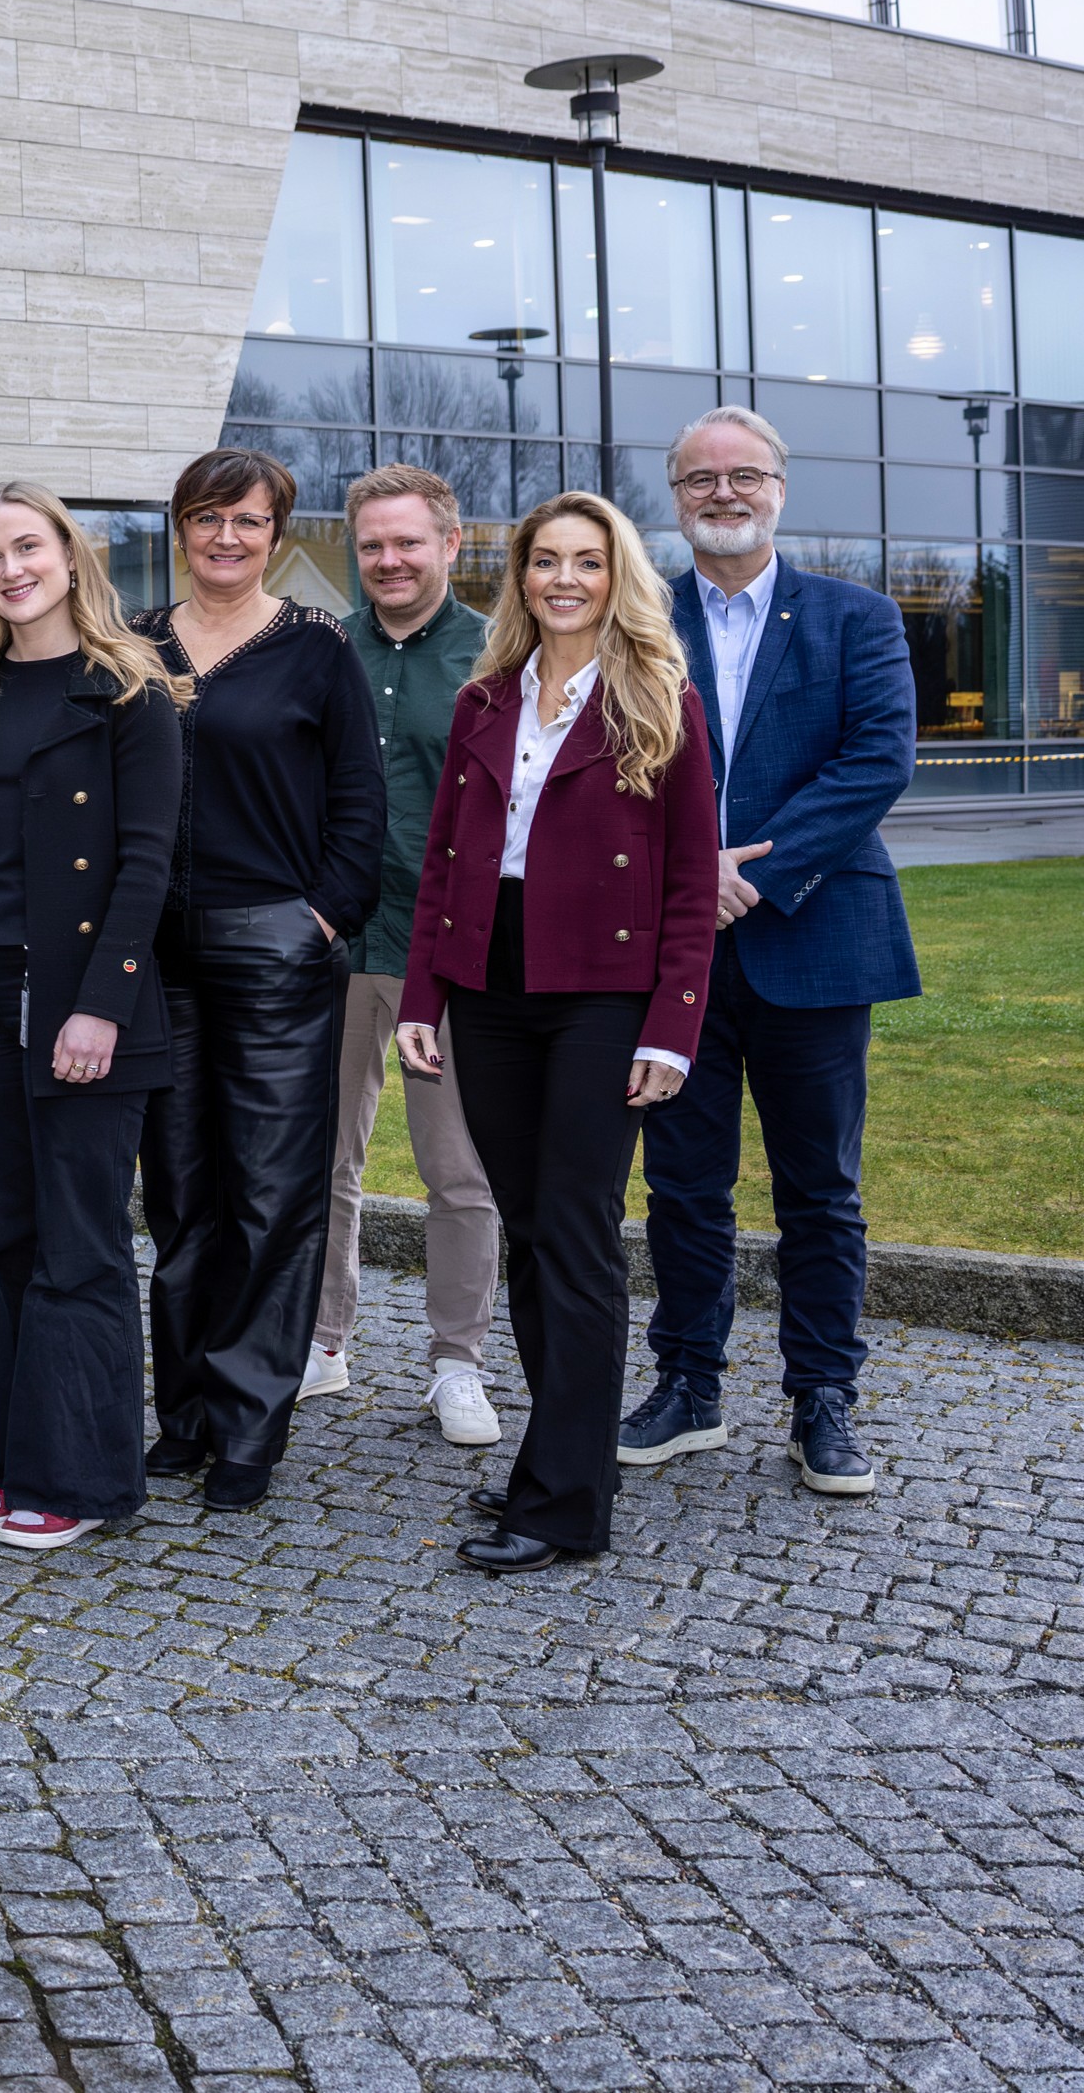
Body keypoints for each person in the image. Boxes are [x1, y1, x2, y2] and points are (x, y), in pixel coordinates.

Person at [396, 493, 716, 1573]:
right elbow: (442, 859)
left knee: (575, 1237)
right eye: (545, 560)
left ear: (614, 572)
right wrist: (417, 997)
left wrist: (669, 1027)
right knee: (528, 1233)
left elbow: (685, 879)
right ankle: (552, 1459)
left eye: (585, 560)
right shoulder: (485, 696)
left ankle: (571, 1501)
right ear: (521, 574)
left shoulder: (658, 698)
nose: (563, 578)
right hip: (489, 979)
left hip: (600, 990)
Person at [629, 407, 919, 1496]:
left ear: (779, 489)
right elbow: (612, 761)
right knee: (681, 1184)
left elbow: (875, 759)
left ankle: (821, 1400)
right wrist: (684, 874)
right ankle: (687, 1383)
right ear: (675, 494)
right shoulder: (637, 619)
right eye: (699, 477)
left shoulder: (858, 615)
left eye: (742, 474)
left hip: (817, 937)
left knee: (820, 1190)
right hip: (673, 955)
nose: (722, 492)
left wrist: (738, 871)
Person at [0, 484, 185, 1553]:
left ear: (68, 553)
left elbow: (148, 860)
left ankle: (87, 1475)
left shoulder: (131, 688)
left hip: (82, 1005)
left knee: (82, 1243)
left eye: (27, 545)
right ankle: (12, 1458)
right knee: (4, 1242)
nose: (9, 567)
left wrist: (100, 1003)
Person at [131, 446, 384, 1513]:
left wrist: (317, 919)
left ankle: (247, 1422)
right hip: (155, 959)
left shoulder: (316, 651)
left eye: (246, 520)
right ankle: (182, 1414)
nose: (225, 537)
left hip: (275, 953)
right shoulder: (132, 645)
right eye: (205, 518)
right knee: (181, 1193)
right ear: (178, 527)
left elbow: (360, 814)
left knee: (271, 1196)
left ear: (277, 533)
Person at [312, 466, 504, 1447]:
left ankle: (457, 1364)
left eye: (407, 542)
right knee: (318, 1157)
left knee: (457, 1169)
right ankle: (321, 1339)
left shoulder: (495, 656)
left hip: (448, 956)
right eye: (372, 544)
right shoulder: (318, 650)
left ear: (450, 542)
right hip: (334, 948)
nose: (388, 559)